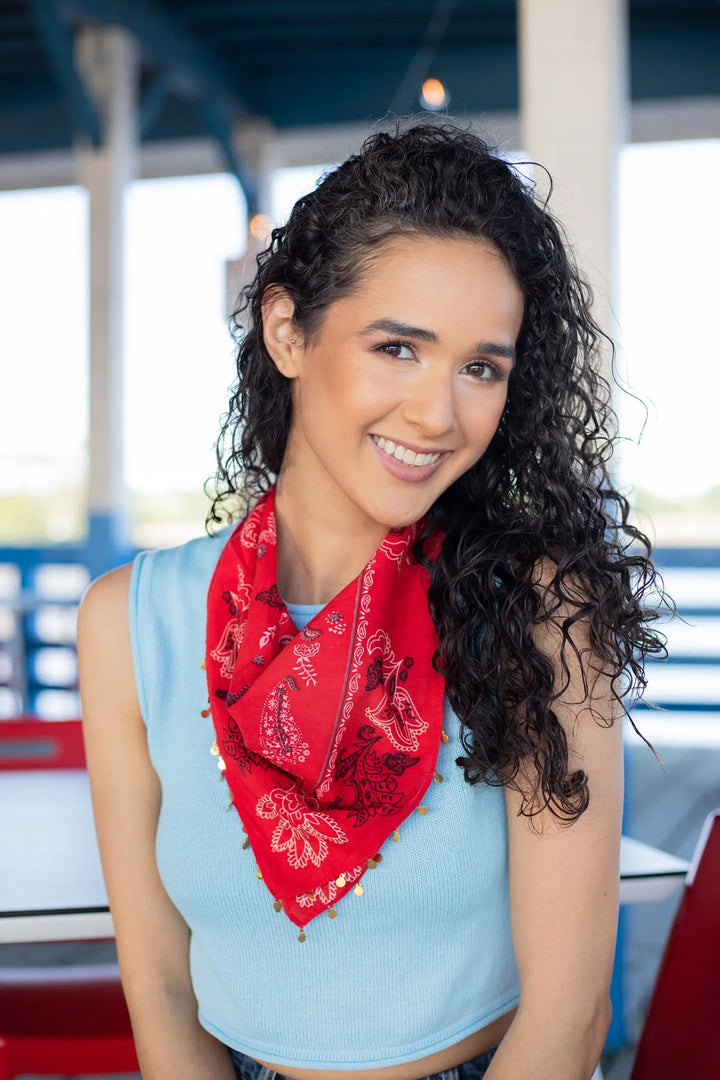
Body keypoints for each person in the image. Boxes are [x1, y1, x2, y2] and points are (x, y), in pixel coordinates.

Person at [78, 119, 668, 1080]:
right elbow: (161, 987)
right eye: (398, 348)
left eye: (482, 366)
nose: (439, 413)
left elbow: (567, 1011)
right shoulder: (129, 624)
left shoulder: (541, 614)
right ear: (287, 331)